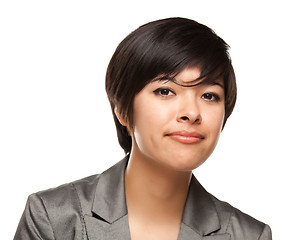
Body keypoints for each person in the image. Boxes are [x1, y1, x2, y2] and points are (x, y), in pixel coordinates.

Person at [14, 17, 272, 240]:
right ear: (123, 110)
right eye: (165, 91)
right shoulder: (53, 218)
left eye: (209, 96)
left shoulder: (248, 235)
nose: (192, 113)